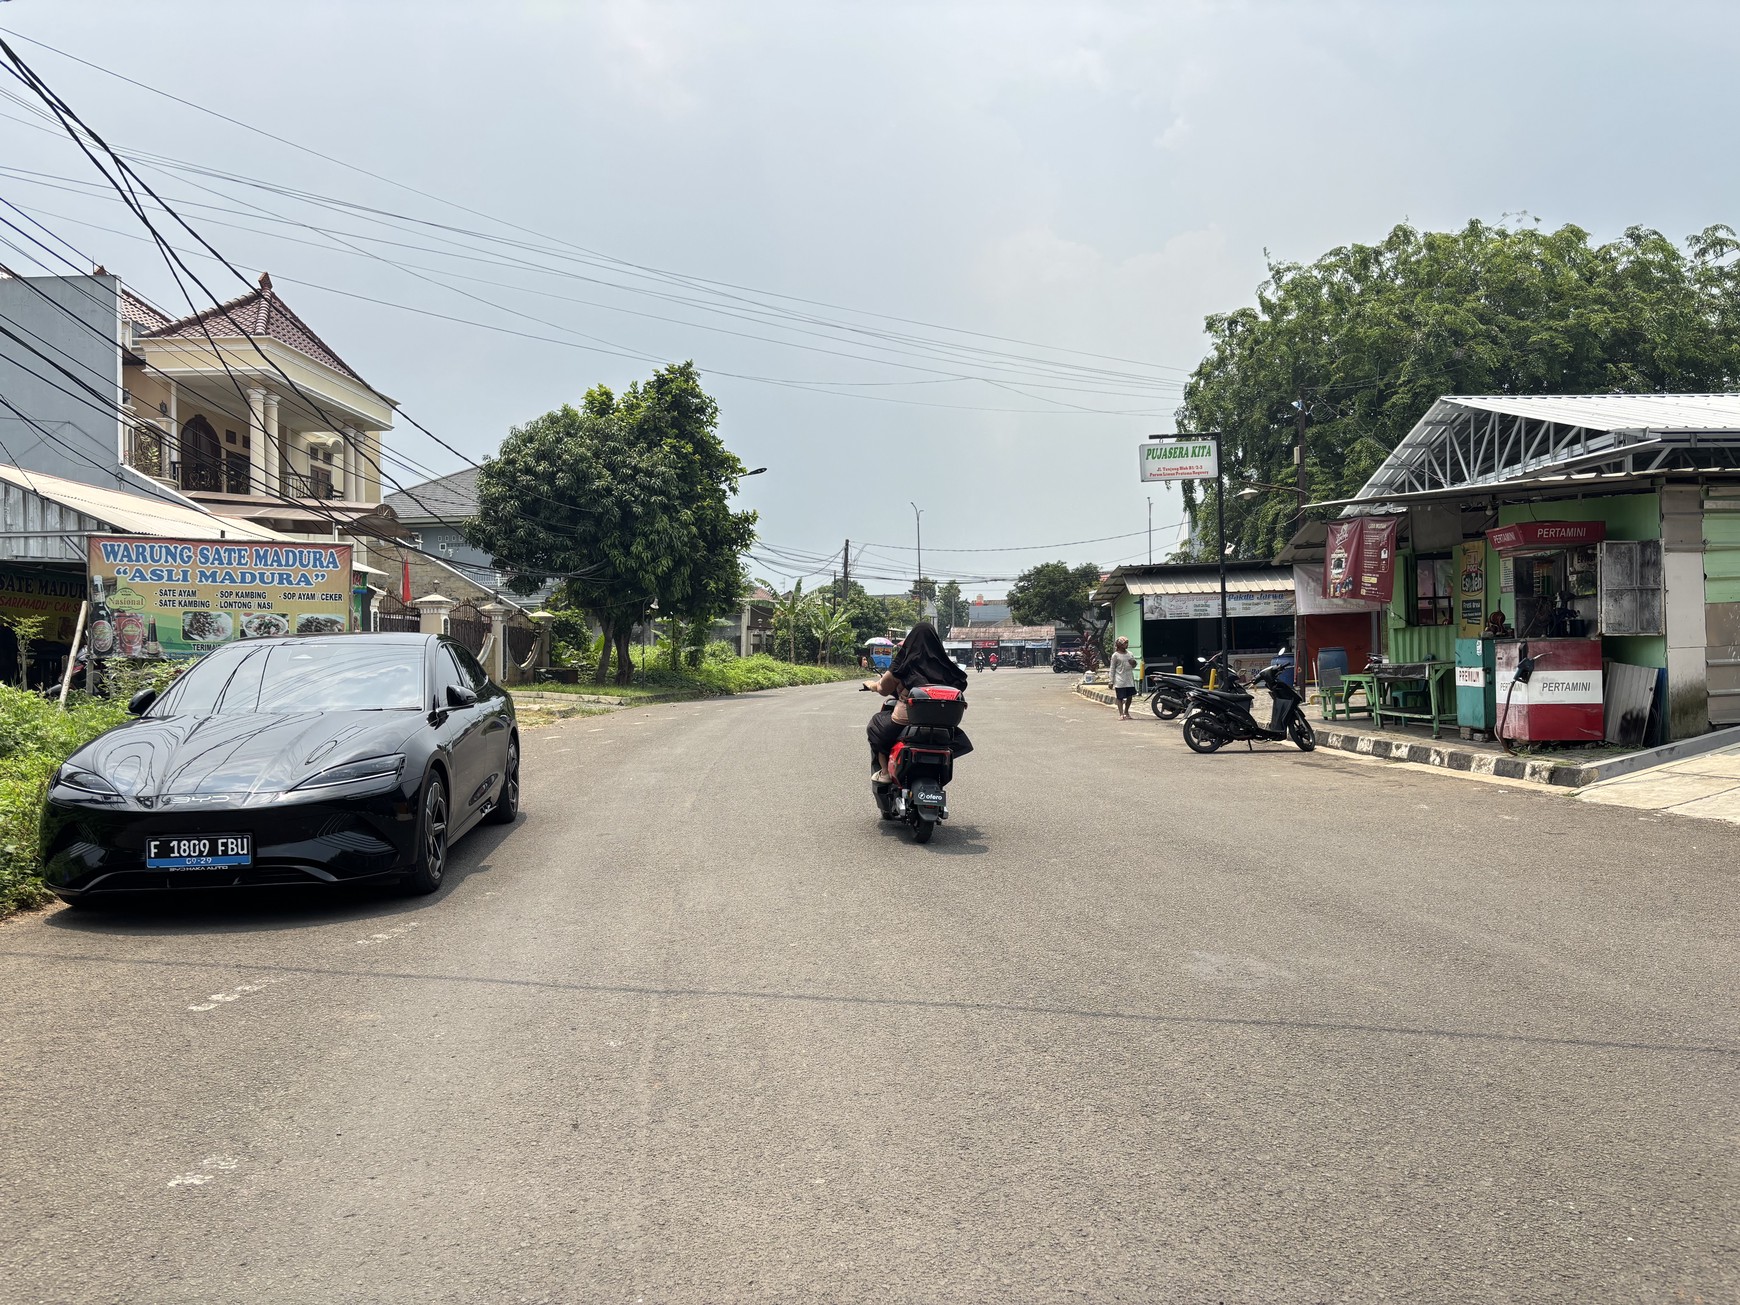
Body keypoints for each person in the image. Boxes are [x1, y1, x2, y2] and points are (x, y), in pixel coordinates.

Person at [864, 621, 970, 782]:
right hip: (944, 725)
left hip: (908, 720)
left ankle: (885, 772)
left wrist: (872, 685)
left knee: (876, 725)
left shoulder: (904, 662)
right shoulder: (945, 665)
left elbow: (883, 688)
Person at [1109, 635, 1139, 720]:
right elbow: (1112, 668)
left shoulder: (1130, 654)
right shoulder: (1115, 655)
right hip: (1120, 679)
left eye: (1127, 643)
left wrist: (1133, 663)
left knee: (1130, 696)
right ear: (1119, 645)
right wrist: (1111, 681)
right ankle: (1121, 714)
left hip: (1129, 679)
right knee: (1120, 697)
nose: (1126, 645)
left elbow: (1134, 666)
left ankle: (1126, 712)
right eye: (1125, 643)